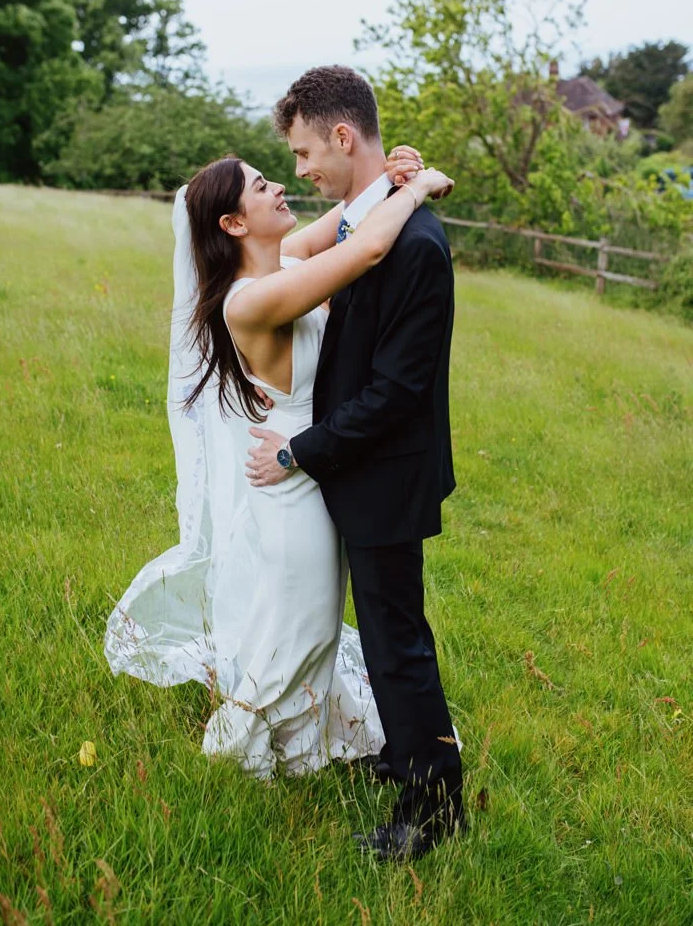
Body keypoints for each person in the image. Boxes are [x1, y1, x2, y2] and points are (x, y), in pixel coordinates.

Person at [104, 128, 455, 793]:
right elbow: (370, 243)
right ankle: (240, 746)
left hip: (314, 474)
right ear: (234, 222)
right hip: (294, 489)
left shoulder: (277, 264)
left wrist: (390, 180)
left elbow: (339, 224)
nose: (280, 185)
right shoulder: (251, 298)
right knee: (304, 631)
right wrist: (424, 188)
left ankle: (303, 732)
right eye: (262, 185)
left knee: (310, 631)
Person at [248, 65, 465, 861]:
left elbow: (398, 394)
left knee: (396, 635)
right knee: (379, 631)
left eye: (306, 152)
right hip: (361, 468)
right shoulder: (365, 221)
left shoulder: (416, 248)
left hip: (388, 469)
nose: (300, 170)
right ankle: (406, 755)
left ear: (344, 137)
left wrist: (299, 451)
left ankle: (435, 804)